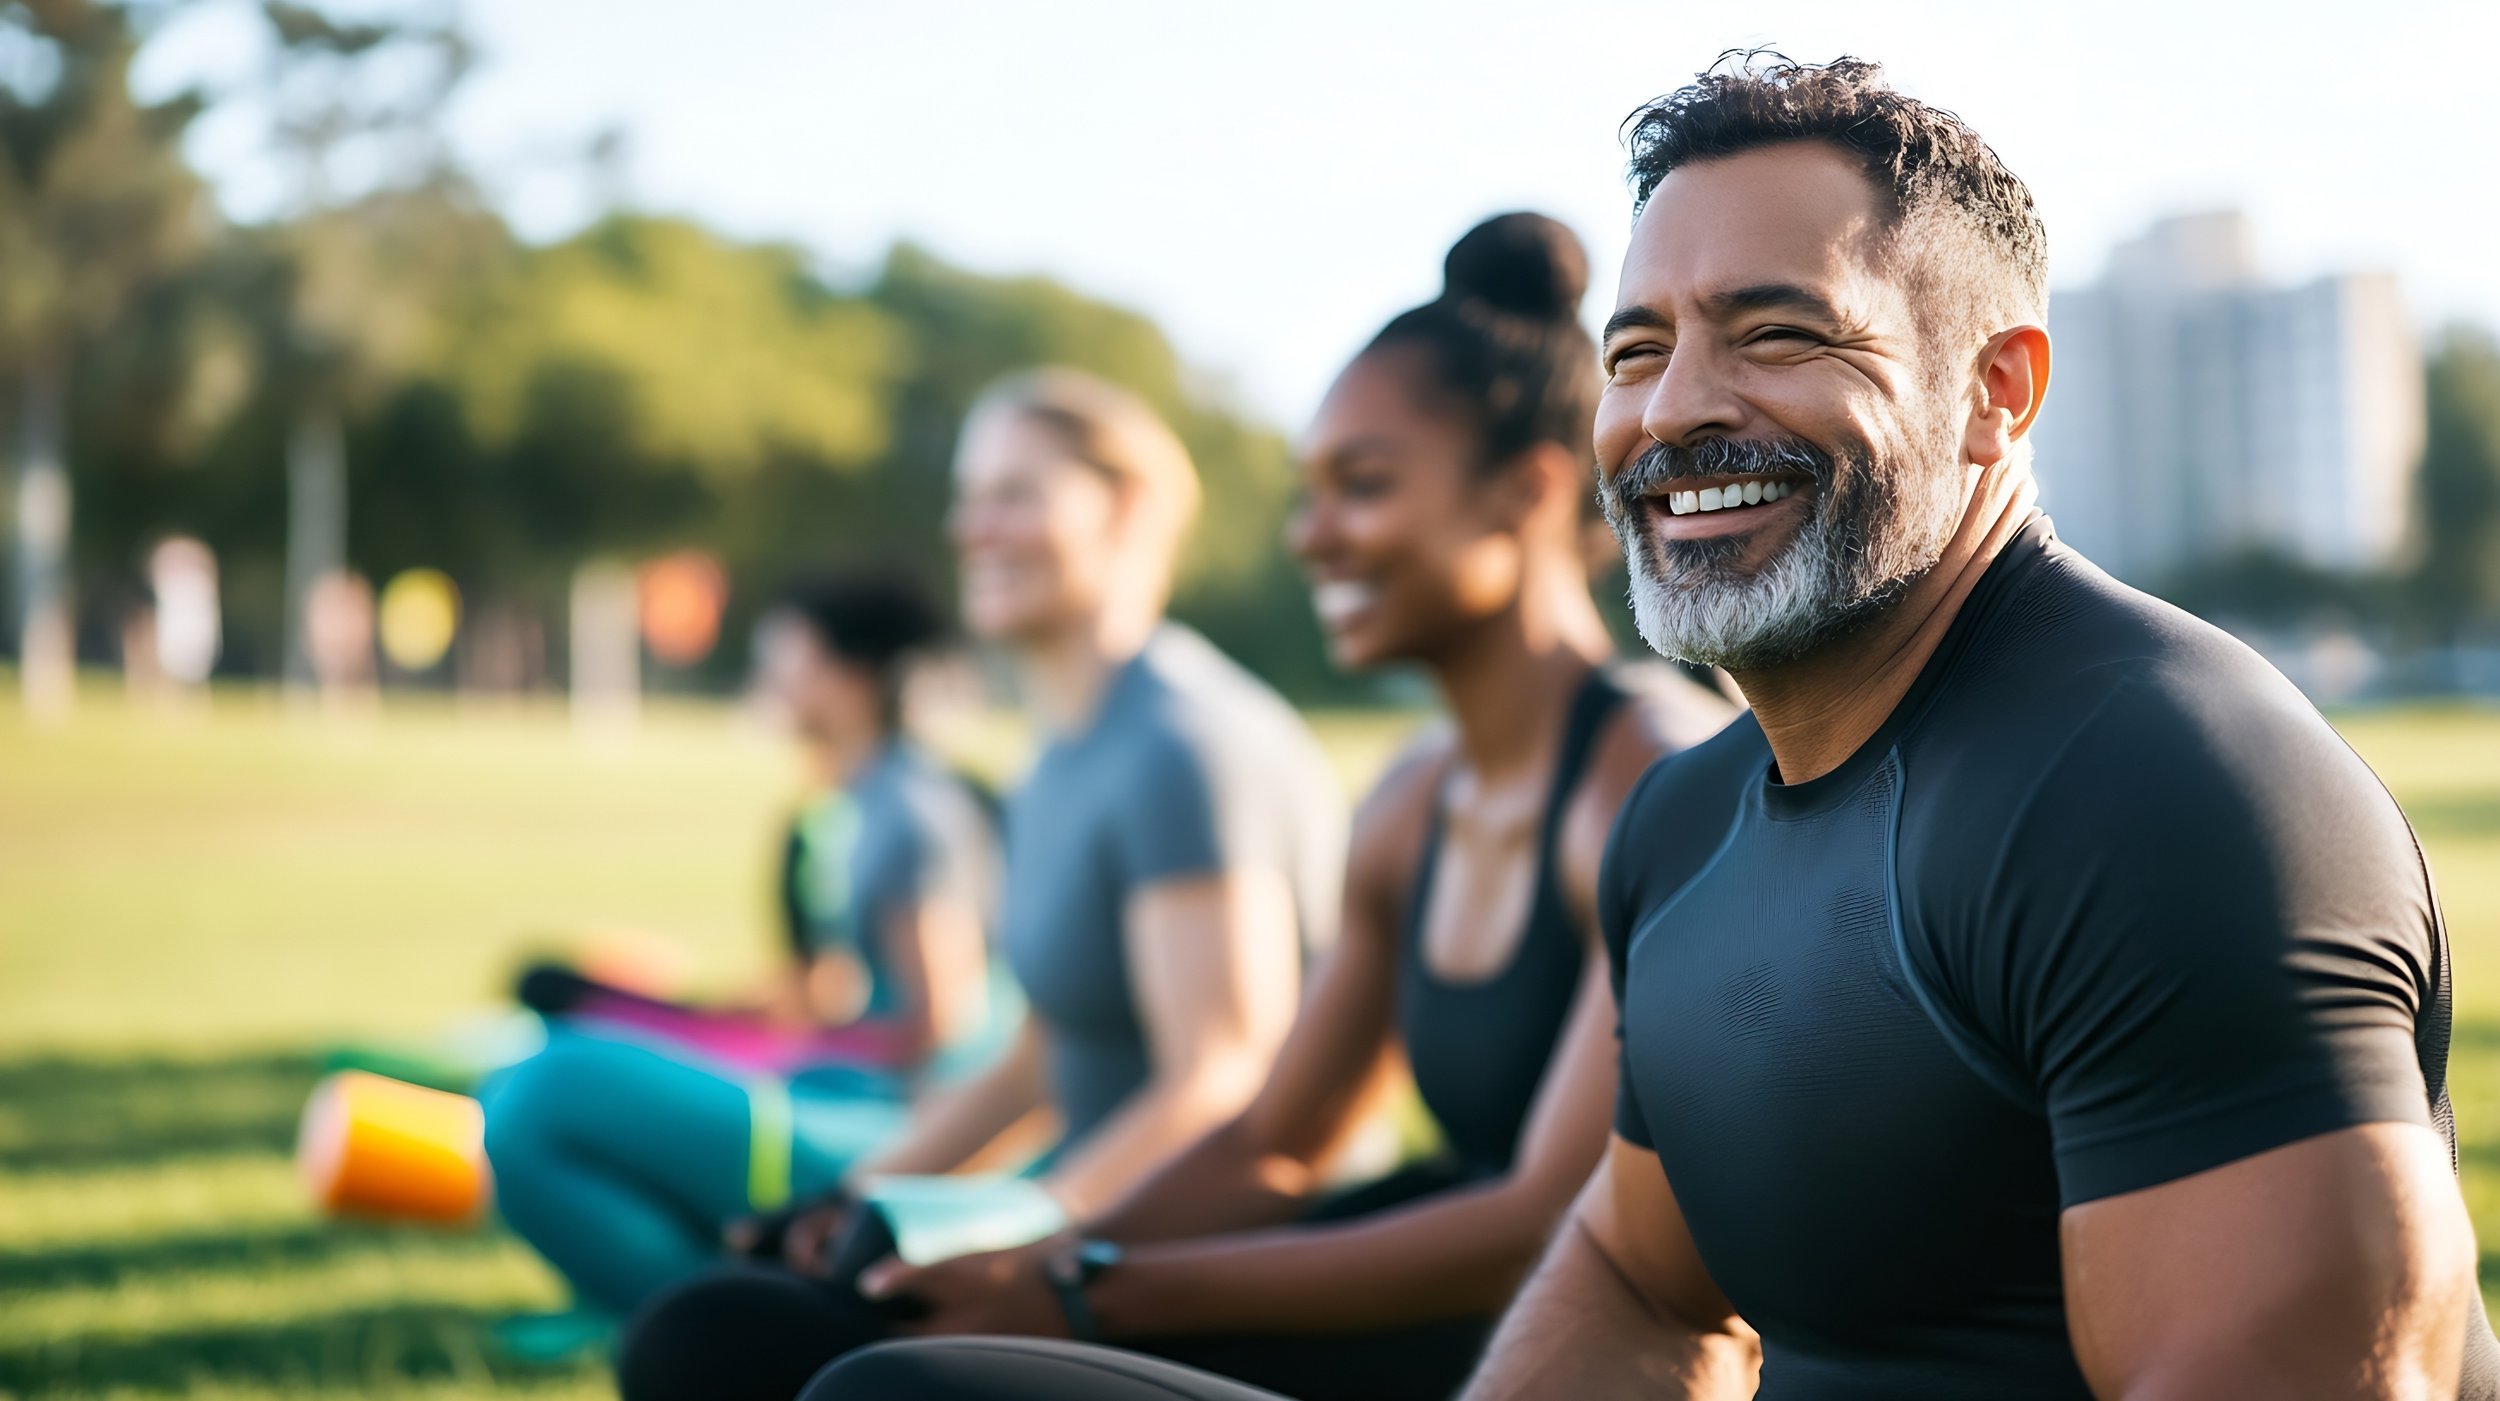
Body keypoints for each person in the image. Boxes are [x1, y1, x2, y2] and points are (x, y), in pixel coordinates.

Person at [819, 52, 2497, 1401]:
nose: (1678, 405)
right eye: (1640, 346)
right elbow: (1638, 1283)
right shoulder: (1689, 826)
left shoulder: (2163, 790)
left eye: (1777, 331)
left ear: (2000, 392)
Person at [722, 213, 1740, 1401]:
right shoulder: (1411, 801)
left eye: (1361, 487)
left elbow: (1541, 1222)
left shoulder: (1645, 775)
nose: (1312, 536)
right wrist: (1043, 1253)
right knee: (747, 1331)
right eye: (1309, 491)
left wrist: (1089, 1290)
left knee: (881, 1390)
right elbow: (1275, 1143)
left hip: (1542, 1349)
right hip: (1395, 1301)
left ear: (1524, 493)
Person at [616, 367, 1347, 1401]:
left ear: (1127, 510)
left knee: (731, 1351)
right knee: (708, 1325)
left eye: (1015, 495)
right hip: (1087, 1234)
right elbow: (1038, 1056)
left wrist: (1022, 1229)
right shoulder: (1054, 756)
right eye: (970, 498)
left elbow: (1218, 1077)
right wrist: (858, 1195)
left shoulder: (1186, 745)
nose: (975, 529)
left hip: (1216, 1269)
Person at [476, 570, 1006, 1355]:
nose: (767, 675)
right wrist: (703, 1021)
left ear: (846, 677)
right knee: (552, 1069)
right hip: (840, 1091)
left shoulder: (912, 814)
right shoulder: (856, 800)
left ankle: (731, 1313)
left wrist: (775, 1053)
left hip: (901, 1128)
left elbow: (944, 1024)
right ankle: (713, 1301)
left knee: (540, 1093)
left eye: (783, 656)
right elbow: (832, 988)